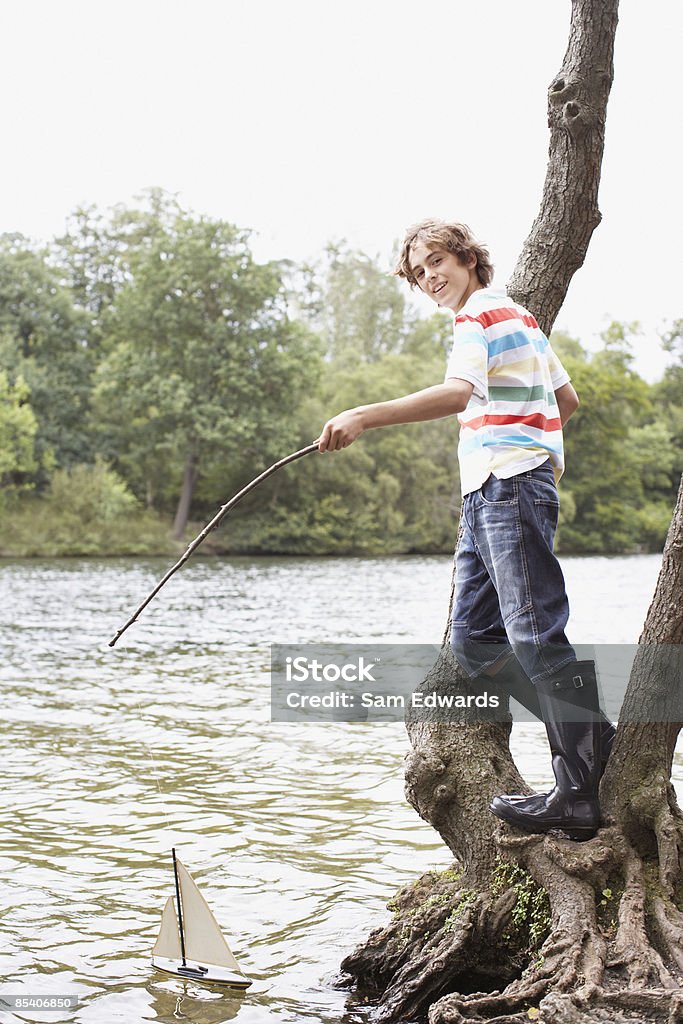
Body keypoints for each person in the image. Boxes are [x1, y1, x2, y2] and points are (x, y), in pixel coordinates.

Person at [318, 218, 614, 842]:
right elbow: (567, 401)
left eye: (437, 262)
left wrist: (364, 416)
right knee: (475, 639)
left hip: (509, 486)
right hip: (488, 490)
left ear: (469, 259)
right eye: (419, 272)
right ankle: (593, 734)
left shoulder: (478, 316)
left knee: (534, 634)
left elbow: (457, 395)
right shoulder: (522, 319)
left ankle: (579, 790)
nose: (429, 277)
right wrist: (518, 431)